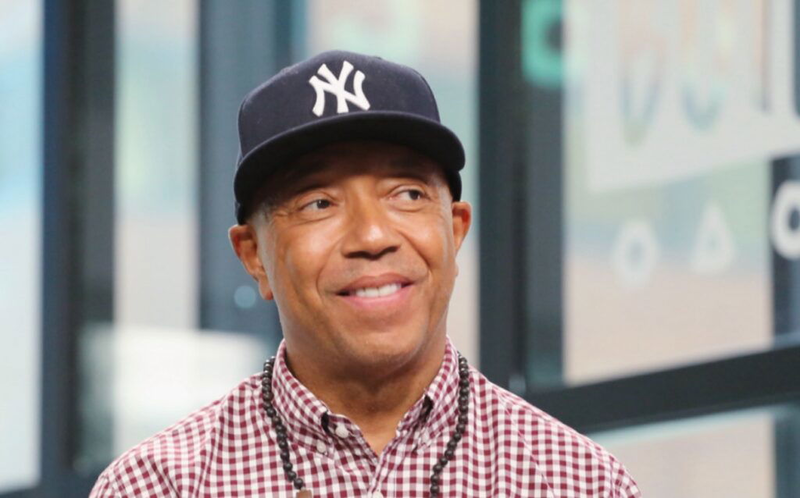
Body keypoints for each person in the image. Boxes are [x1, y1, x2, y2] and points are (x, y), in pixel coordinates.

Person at [90, 50, 641, 498]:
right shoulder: (157, 486)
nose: (373, 236)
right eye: (319, 203)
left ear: (455, 230)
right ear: (254, 255)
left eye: (407, 194)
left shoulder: (579, 483)